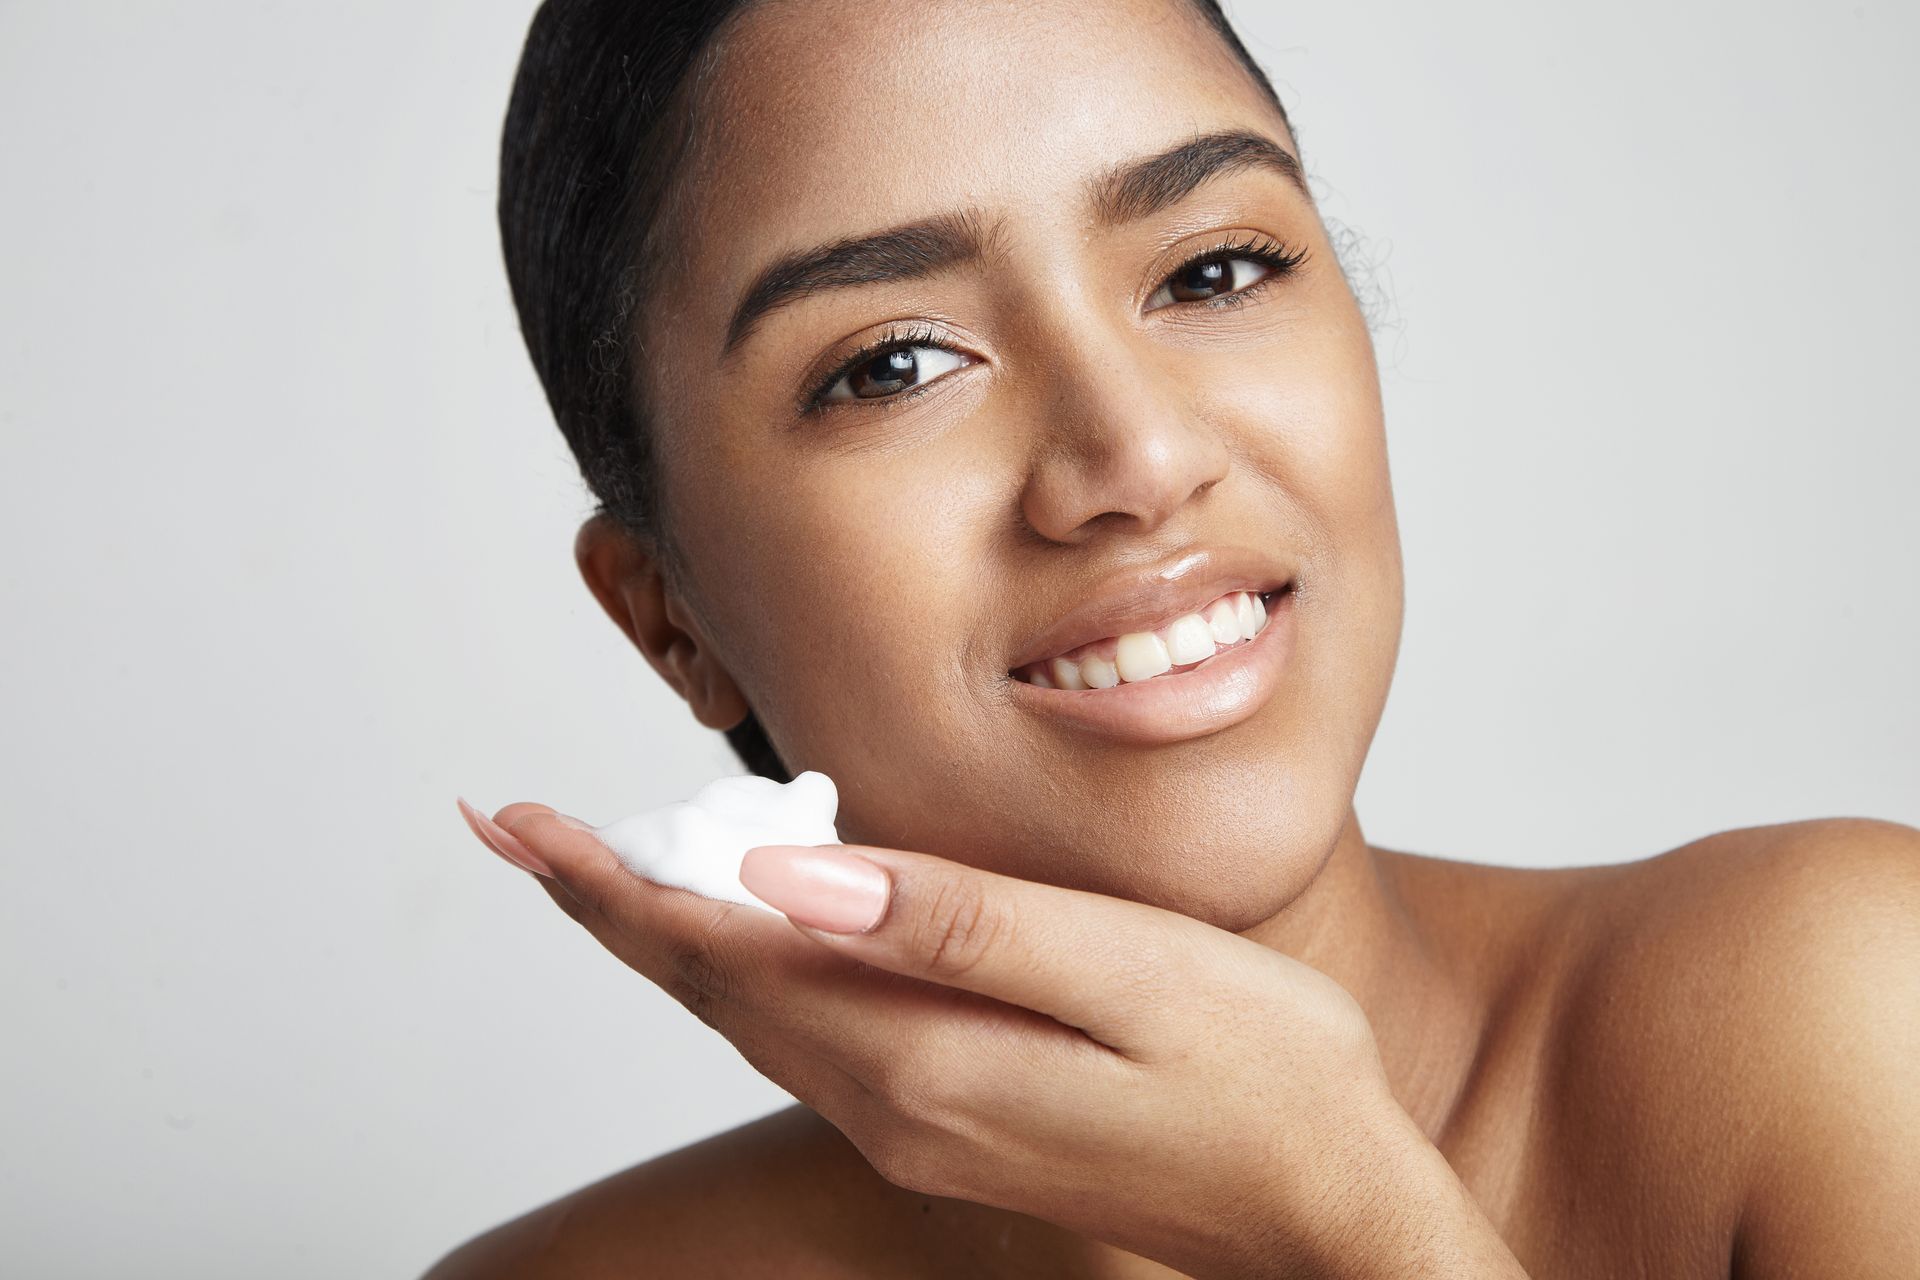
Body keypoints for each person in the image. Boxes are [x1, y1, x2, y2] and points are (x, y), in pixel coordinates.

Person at [428, 0, 1920, 1274]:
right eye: (894, 363)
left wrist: (1344, 1221)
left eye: (1214, 270)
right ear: (671, 619)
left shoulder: (1848, 1016)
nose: (1135, 461)